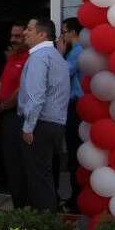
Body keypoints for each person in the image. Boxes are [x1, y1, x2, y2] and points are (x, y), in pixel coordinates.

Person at [16, 17, 70, 213]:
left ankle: (45, 229)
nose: (25, 32)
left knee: (38, 179)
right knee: (44, 176)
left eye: (29, 29)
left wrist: (28, 126)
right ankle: (48, 226)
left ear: (42, 34)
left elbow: (36, 95)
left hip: (40, 123)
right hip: (54, 123)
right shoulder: (57, 56)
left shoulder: (39, 57)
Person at [0, 22, 29, 209]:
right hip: (6, 115)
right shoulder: (12, 57)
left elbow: (21, 91)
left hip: (18, 116)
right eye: (12, 35)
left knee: (20, 166)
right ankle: (18, 207)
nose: (13, 40)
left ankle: (24, 209)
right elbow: (1, 83)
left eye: (18, 36)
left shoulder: (30, 58)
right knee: (11, 165)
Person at [60, 17, 84, 209]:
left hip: (77, 107)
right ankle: (75, 196)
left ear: (73, 32)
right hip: (73, 105)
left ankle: (77, 198)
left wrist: (59, 54)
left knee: (76, 153)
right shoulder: (74, 51)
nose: (63, 35)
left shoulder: (77, 51)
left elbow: (63, 73)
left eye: (65, 31)